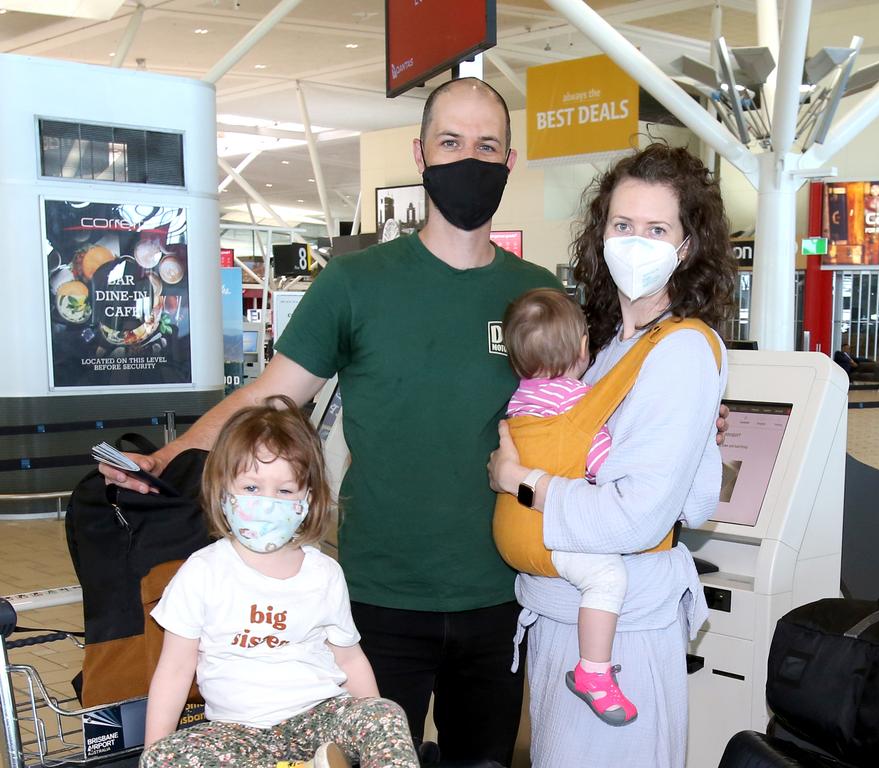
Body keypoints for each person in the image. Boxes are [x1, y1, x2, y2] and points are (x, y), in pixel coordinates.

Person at [102, 77, 729, 764]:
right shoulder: (356, 283)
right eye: (451, 142)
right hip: (380, 597)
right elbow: (273, 395)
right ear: (421, 154)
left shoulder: (537, 294)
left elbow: (597, 403)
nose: (469, 159)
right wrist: (173, 456)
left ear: (510, 163)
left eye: (487, 145)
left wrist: (691, 430)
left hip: (504, 598)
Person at [488, 142, 734, 766]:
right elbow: (700, 500)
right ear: (601, 235)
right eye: (623, 225)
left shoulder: (677, 350)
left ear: (687, 246)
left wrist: (521, 482)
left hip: (618, 637)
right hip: (573, 626)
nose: (636, 241)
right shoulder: (604, 354)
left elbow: (635, 520)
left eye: (657, 228)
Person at [140, 395, 418, 768]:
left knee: (384, 714)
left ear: (307, 499)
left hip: (318, 716)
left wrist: (366, 732)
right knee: (169, 756)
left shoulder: (324, 573)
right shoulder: (203, 571)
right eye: (252, 488)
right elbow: (174, 670)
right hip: (236, 733)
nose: (268, 502)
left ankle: (324, 761)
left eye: (285, 490)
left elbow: (349, 659)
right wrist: (153, 750)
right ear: (223, 490)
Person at [502, 288, 636, 726]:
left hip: (512, 534)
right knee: (607, 577)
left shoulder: (519, 399)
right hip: (549, 534)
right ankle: (593, 671)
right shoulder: (577, 405)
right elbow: (601, 467)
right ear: (583, 347)